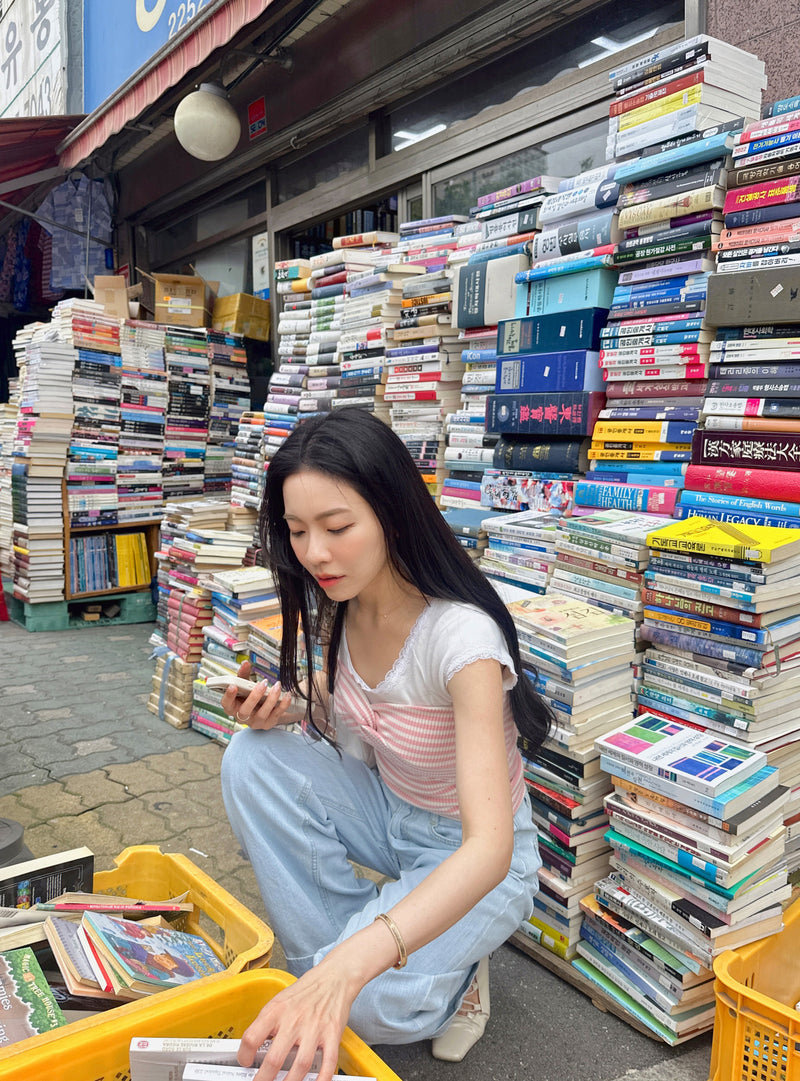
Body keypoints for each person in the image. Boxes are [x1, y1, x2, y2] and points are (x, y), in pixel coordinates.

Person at [219, 408, 553, 1081]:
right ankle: (342, 962)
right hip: (390, 814)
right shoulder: (348, 601)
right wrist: (280, 708)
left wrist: (354, 966)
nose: (315, 553)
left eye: (337, 527)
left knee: (367, 1009)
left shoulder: (461, 640)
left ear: (392, 514)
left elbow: (488, 846)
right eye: (298, 530)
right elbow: (355, 698)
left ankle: (438, 976)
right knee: (250, 759)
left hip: (476, 852)